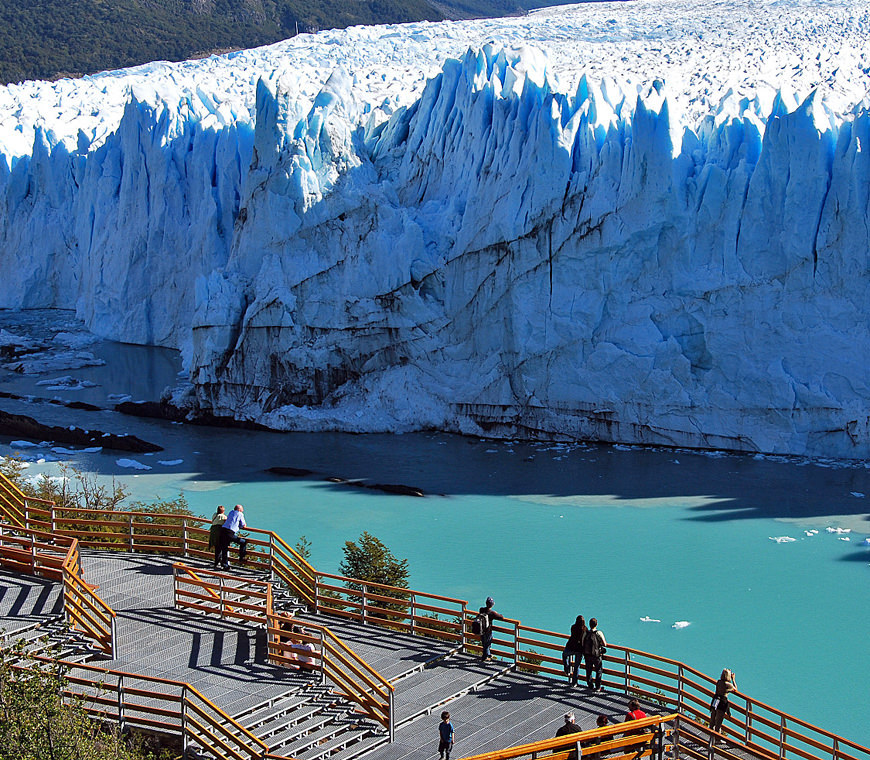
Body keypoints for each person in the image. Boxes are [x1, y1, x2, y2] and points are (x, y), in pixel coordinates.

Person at [217, 504, 248, 570]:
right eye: (242, 509)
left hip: (223, 531)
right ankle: (242, 557)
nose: (243, 510)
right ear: (239, 509)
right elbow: (243, 525)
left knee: (224, 548)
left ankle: (225, 565)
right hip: (230, 533)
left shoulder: (231, 512)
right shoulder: (240, 514)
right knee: (243, 542)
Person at [710, 669, 738, 737]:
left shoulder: (719, 682)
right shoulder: (728, 685)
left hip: (715, 700)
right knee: (718, 722)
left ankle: (710, 736)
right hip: (722, 703)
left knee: (712, 720)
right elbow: (735, 689)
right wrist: (733, 679)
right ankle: (717, 738)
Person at [477, 597, 504, 661]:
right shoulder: (492, 613)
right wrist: (497, 613)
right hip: (488, 630)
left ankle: (487, 655)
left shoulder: (481, 609)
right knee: (487, 644)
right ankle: (485, 657)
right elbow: (501, 617)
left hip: (481, 629)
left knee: (484, 643)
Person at [562, 615, 587, 686]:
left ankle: (567, 670)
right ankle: (574, 682)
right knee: (577, 666)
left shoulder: (573, 627)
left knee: (564, 655)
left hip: (571, 647)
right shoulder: (585, 629)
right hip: (580, 650)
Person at [584, 617, 607, 692]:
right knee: (599, 670)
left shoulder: (586, 633)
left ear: (589, 624)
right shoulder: (598, 633)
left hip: (587, 655)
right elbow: (605, 644)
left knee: (589, 671)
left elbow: (583, 642)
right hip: (596, 655)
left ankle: (590, 685)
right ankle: (597, 687)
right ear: (596, 624)